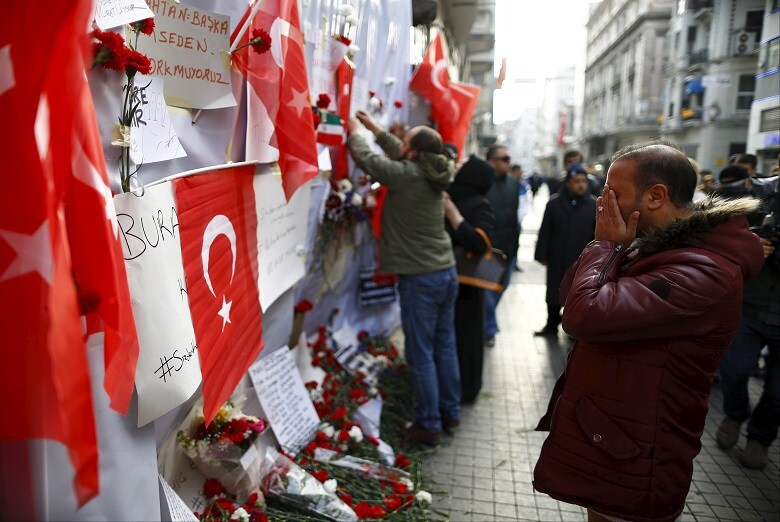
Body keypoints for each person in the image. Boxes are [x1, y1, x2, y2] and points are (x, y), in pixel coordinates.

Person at [533, 140, 764, 522]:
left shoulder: (704, 271)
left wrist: (605, 244)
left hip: (640, 453)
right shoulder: (649, 246)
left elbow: (582, 315)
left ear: (655, 196)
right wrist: (609, 248)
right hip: (613, 437)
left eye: (614, 193)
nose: (603, 202)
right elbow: (568, 294)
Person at [346, 110, 459, 445]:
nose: (402, 144)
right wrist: (374, 127)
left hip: (421, 278)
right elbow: (401, 150)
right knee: (445, 345)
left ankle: (429, 425)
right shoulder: (434, 168)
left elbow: (370, 160)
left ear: (413, 151)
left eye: (407, 141)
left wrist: (355, 133)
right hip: (445, 271)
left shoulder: (408, 174)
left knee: (421, 353)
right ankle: (449, 411)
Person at [715, 164, 780, 470]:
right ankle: (736, 412)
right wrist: (752, 243)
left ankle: (760, 439)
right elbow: (721, 234)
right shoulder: (758, 193)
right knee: (735, 370)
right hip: (750, 306)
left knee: (778, 392)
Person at [443, 156, 495, 403]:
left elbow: (480, 242)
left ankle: (467, 389)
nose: (456, 167)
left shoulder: (478, 204)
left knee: (466, 336)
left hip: (467, 283)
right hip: (447, 277)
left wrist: (455, 217)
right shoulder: (451, 194)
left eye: (462, 166)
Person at [533, 162, 597, 336]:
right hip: (557, 256)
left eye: (584, 181)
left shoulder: (593, 205)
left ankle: (573, 330)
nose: (581, 184)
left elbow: (596, 234)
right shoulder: (554, 203)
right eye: (577, 181)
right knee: (554, 291)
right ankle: (551, 324)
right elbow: (545, 230)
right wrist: (542, 255)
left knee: (576, 295)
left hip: (580, 259)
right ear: (568, 182)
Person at [483, 144, 519, 347]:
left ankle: (486, 324)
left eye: (508, 158)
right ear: (491, 161)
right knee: (488, 289)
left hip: (510, 247)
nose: (508, 162)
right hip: (489, 248)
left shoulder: (514, 184)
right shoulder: (482, 183)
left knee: (501, 288)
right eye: (504, 159)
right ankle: (488, 328)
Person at [511, 164, 532, 272]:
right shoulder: (509, 185)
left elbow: (526, 202)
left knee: (516, 243)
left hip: (518, 220)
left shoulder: (522, 185)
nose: (519, 174)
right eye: (517, 172)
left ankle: (514, 263)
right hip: (509, 220)